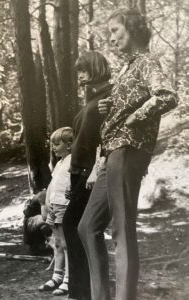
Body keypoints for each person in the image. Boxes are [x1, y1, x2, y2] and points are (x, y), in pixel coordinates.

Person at [78, 7, 178, 300]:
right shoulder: (127, 68)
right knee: (86, 227)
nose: (111, 39)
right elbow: (126, 103)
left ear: (132, 29)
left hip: (128, 150)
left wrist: (137, 116)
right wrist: (110, 109)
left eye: (114, 31)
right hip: (111, 153)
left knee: (122, 232)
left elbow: (167, 96)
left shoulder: (146, 62)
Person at [62, 51, 113, 300]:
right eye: (78, 71)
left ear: (95, 67)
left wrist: (96, 169)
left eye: (83, 69)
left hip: (91, 173)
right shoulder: (93, 97)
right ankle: (81, 290)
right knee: (74, 227)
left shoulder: (109, 97)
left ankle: (81, 292)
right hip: (79, 172)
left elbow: (107, 138)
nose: (80, 75)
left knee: (75, 225)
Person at [39, 127, 73, 296]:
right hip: (53, 205)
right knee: (57, 243)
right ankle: (57, 275)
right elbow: (53, 185)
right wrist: (46, 202)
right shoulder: (59, 163)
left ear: (69, 144)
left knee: (66, 244)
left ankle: (69, 278)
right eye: (52, 144)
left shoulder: (73, 161)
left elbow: (72, 184)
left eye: (57, 144)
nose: (53, 147)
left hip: (64, 205)